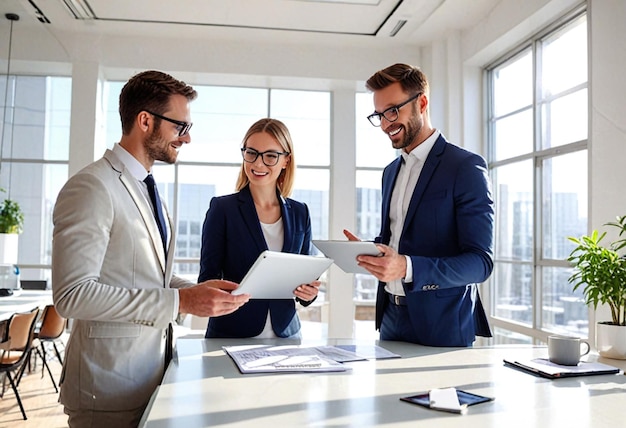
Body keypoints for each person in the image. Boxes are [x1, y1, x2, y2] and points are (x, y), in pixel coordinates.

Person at [51, 70, 250, 428]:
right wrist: (182, 303)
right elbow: (73, 295)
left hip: (152, 377)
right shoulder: (92, 187)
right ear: (145, 121)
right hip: (107, 387)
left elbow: (148, 273)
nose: (186, 139)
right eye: (180, 127)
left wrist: (193, 290)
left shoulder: (147, 187)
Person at [345, 63, 494, 347]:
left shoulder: (464, 166)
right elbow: (400, 239)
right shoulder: (390, 171)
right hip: (390, 317)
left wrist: (406, 267)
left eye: (392, 110)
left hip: (443, 324)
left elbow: (480, 263)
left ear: (421, 103)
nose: (386, 123)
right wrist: (368, 252)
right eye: (379, 115)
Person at [199, 118, 320, 339]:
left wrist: (309, 293)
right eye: (251, 153)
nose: (258, 164)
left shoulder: (301, 212)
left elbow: (304, 279)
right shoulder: (223, 208)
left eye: (271, 156)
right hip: (232, 332)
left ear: (286, 161)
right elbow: (207, 279)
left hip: (287, 334)